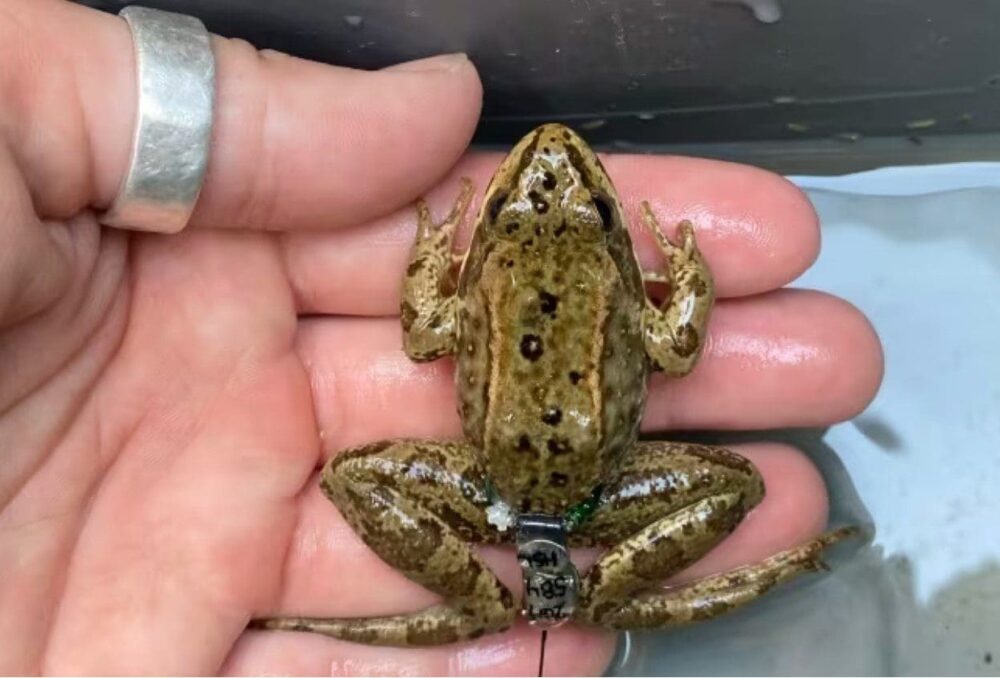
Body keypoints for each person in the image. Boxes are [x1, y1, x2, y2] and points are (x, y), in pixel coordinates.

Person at [0, 0, 883, 674]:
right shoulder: (629, 298)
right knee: (738, 485)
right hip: (610, 484)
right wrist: (689, 276)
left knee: (353, 477)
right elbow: (680, 348)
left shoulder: (468, 292)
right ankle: (603, 598)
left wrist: (430, 253)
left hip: (483, 485)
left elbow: (423, 333)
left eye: (595, 204)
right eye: (508, 203)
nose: (552, 162)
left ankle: (493, 599)